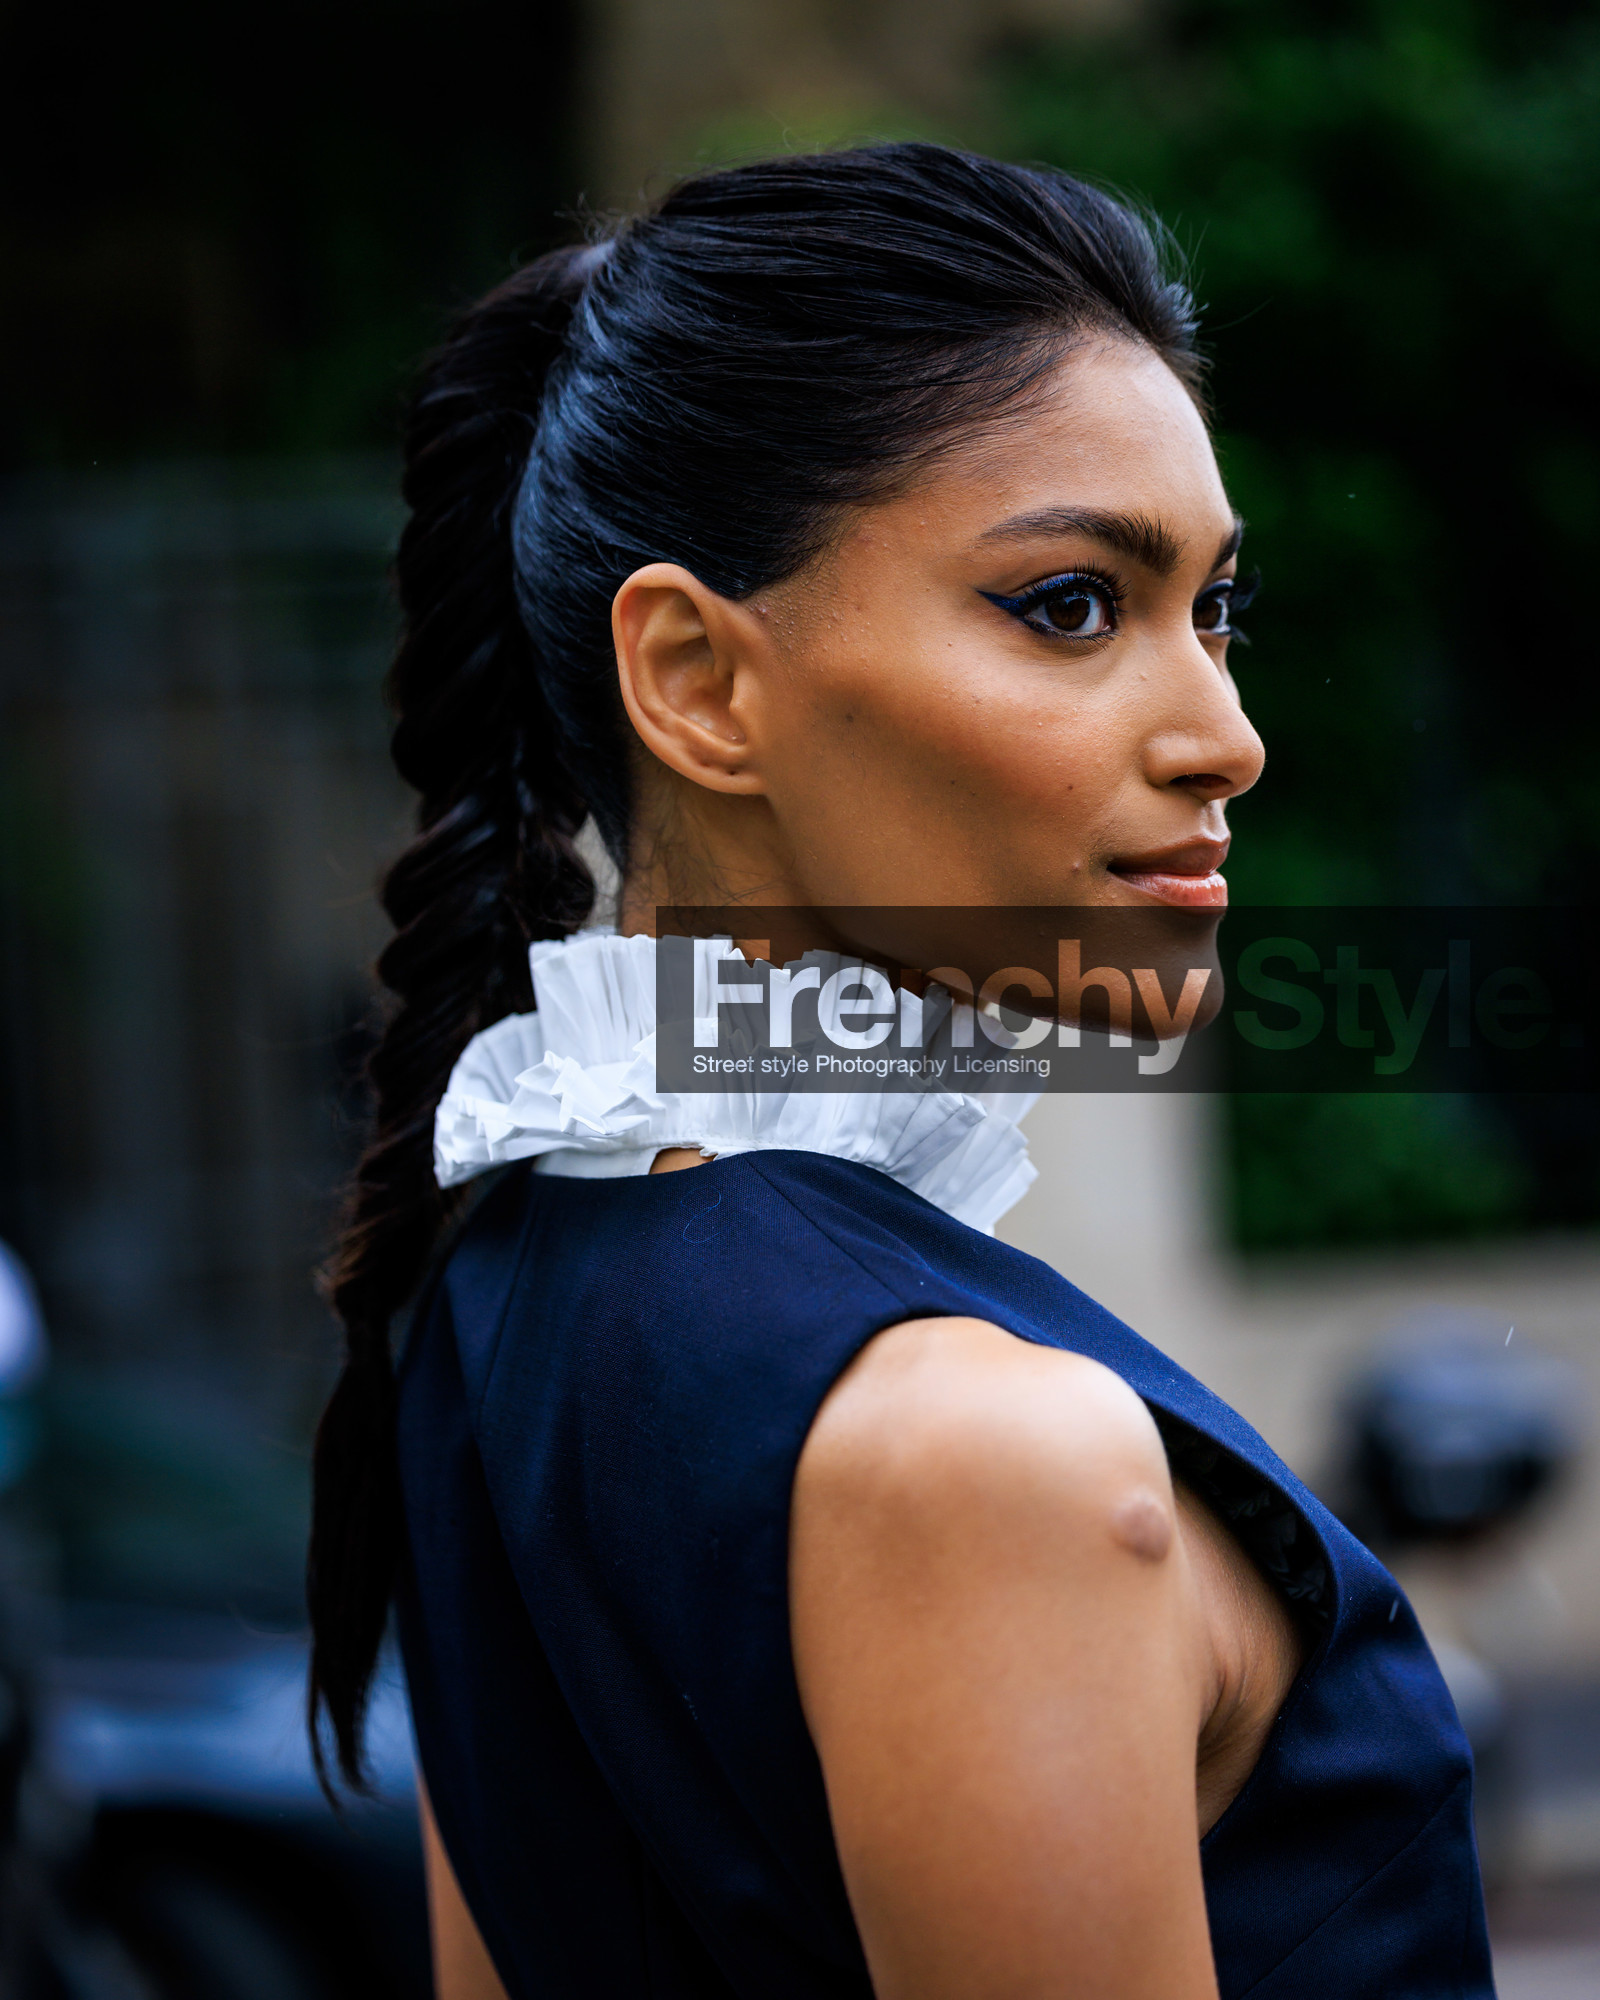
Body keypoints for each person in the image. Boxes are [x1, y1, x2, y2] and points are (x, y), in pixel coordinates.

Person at [308, 145, 1491, 1998]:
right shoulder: (993, 1457)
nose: (1228, 738)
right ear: (698, 681)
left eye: (1216, 612)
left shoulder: (489, 1302)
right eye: (1076, 605)